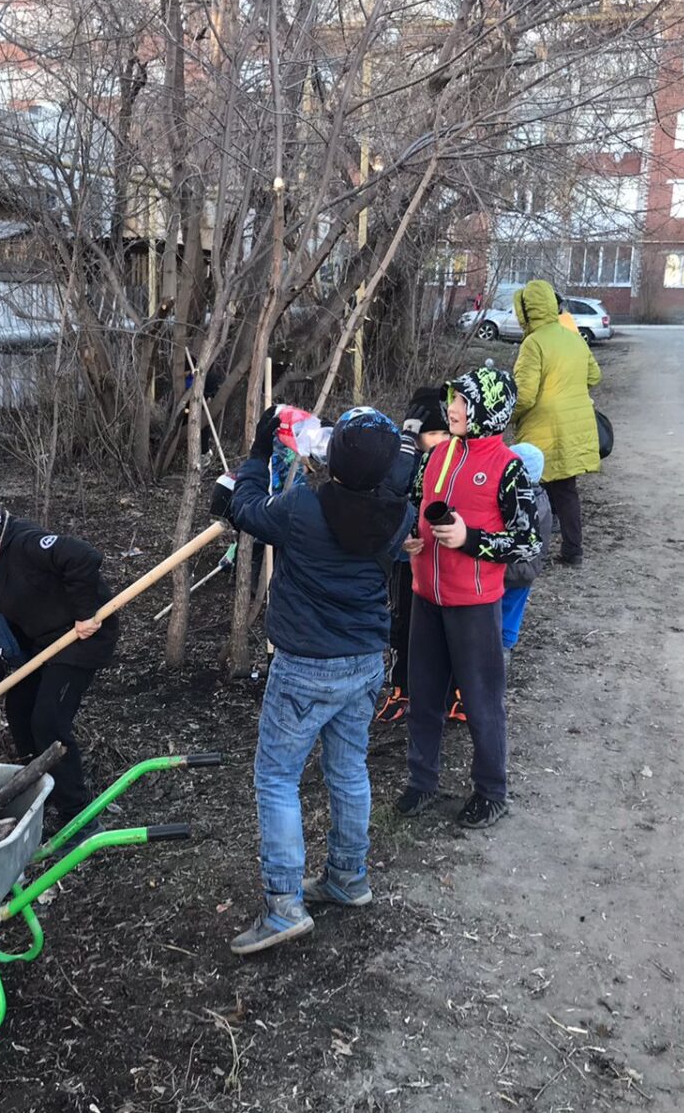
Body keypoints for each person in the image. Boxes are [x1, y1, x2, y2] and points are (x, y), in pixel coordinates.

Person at [224, 407, 414, 955]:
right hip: (364, 660)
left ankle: (284, 906)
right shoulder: (398, 514)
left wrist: (259, 454)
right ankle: (348, 877)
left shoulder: (304, 507)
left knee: (278, 777)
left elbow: (245, 510)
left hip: (307, 664)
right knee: (348, 768)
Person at [396, 368, 540, 829]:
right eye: (453, 400)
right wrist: (409, 539)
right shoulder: (435, 457)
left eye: (462, 401)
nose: (452, 409)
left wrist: (470, 538)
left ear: (489, 411)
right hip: (426, 596)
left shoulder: (508, 468)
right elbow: (413, 504)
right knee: (423, 696)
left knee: (481, 701)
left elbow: (528, 542)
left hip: (475, 604)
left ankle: (491, 790)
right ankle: (421, 782)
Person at [0, 501, 118, 833]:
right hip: (43, 644)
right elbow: (3, 636)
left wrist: (84, 612)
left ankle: (79, 816)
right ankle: (43, 793)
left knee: (47, 722)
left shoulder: (27, 544)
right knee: (19, 712)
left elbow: (82, 557)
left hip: (83, 638)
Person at [511, 279, 602, 566]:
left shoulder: (533, 343)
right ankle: (573, 551)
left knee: (533, 490)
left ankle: (533, 553)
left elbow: (524, 396)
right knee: (566, 490)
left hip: (543, 429)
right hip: (574, 427)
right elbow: (594, 375)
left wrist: (503, 416)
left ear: (526, 310)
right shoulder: (572, 337)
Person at [375, 387, 449, 725]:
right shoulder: (402, 461)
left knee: (445, 627)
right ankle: (400, 687)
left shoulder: (453, 461)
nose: (439, 440)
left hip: (443, 560)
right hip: (407, 563)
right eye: (432, 433)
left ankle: (450, 690)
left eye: (444, 432)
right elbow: (390, 499)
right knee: (403, 624)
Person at [500, 442, 553, 670]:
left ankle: (494, 648)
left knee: (496, 607)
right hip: (527, 570)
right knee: (513, 608)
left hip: (505, 567)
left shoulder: (514, 501)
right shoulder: (543, 499)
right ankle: (505, 648)